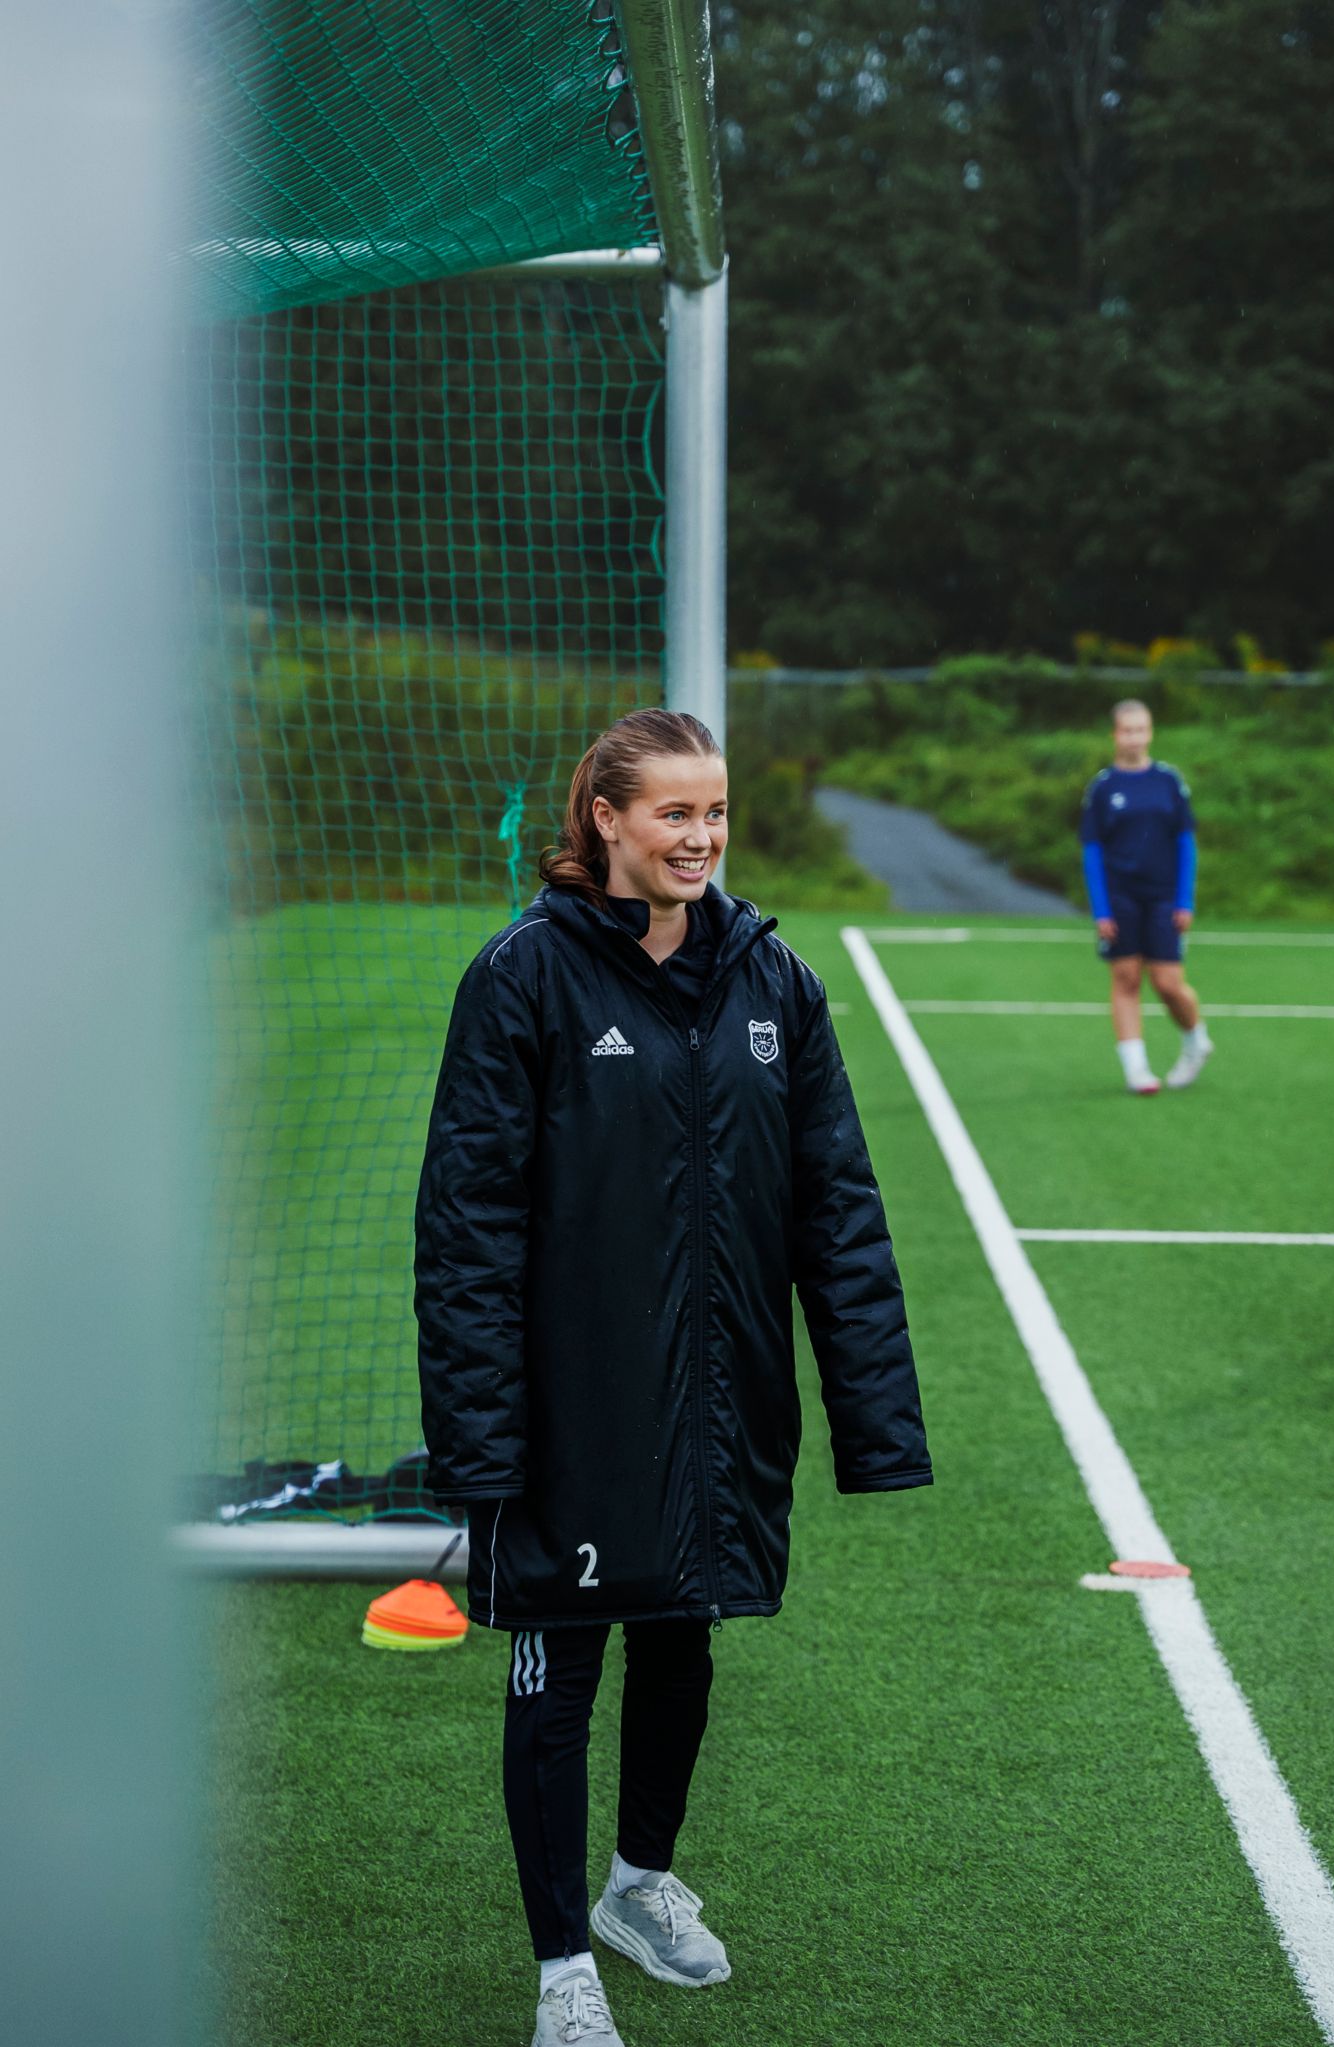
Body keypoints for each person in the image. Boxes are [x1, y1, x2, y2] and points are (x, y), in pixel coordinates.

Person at [415, 707, 931, 2047]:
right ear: (605, 816)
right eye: (672, 813)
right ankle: (557, 1972)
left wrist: (873, 1421)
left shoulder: (773, 979)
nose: (699, 836)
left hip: (719, 1398)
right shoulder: (521, 977)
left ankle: (636, 1885)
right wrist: (479, 1445)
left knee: (682, 1633)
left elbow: (838, 1206)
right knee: (557, 1666)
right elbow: (466, 1224)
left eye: (714, 812)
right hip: (566, 1411)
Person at [1079, 698, 1214, 1094]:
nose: (1135, 737)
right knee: (1125, 978)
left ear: (1150, 732)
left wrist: (1184, 899)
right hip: (1120, 896)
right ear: (1115, 734)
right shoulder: (1103, 788)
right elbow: (1091, 851)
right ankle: (1137, 1069)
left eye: (1141, 729)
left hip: (1163, 896)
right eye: (1127, 730)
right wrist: (1101, 909)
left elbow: (1187, 844)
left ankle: (1195, 1041)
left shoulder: (1169, 781)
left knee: (1168, 983)